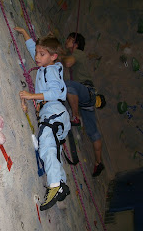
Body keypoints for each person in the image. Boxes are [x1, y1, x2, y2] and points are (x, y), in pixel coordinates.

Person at [14, 26, 71, 211]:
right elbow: (35, 51)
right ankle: (61, 183)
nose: (37, 57)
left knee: (46, 143)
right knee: (53, 150)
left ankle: (54, 185)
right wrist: (25, 34)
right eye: (37, 53)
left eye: (42, 54)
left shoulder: (52, 71)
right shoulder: (47, 65)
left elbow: (57, 92)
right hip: (57, 115)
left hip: (54, 111)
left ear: (53, 57)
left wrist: (31, 96)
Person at [62, 32, 106, 177]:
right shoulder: (75, 54)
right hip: (86, 99)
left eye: (69, 39)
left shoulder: (79, 53)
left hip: (87, 92)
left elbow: (68, 63)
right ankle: (98, 163)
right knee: (93, 132)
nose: (67, 40)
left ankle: (75, 117)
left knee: (69, 85)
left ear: (75, 42)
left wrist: (60, 56)